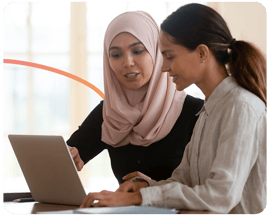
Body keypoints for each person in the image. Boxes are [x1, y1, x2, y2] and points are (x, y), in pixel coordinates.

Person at [80, 3, 267, 215]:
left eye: (169, 56)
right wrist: (145, 186)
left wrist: (138, 198)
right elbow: (184, 180)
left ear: (202, 53)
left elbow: (221, 195)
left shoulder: (240, 107)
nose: (163, 67)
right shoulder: (209, 110)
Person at [67, 11, 204, 185]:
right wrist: (70, 156)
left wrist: (152, 190)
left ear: (157, 53)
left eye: (138, 51)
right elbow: (69, 153)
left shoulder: (197, 113)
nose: (128, 62)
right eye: (116, 55)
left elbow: (209, 187)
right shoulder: (110, 112)